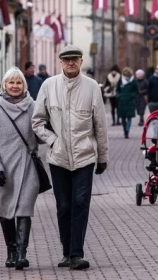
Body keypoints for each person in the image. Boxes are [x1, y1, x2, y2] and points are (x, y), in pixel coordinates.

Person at [32, 45, 109, 270]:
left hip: (85, 155)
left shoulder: (92, 87)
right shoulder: (49, 85)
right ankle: (66, 252)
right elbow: (37, 121)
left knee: (80, 202)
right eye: (66, 60)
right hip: (58, 157)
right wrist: (52, 140)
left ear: (81, 61)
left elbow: (100, 124)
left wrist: (102, 156)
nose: (70, 63)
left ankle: (77, 253)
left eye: (74, 59)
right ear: (60, 63)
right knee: (64, 205)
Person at [0, 67, 41, 270]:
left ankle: (21, 254)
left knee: (24, 209)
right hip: (3, 170)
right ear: (4, 85)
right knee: (6, 210)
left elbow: (42, 133)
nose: (15, 86)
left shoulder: (34, 106)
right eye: (11, 82)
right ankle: (11, 250)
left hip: (27, 167)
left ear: (23, 85)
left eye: (18, 82)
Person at [117, 67, 139, 138]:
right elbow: (117, 90)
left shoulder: (133, 81)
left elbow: (136, 90)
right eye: (124, 74)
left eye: (127, 74)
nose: (126, 75)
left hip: (130, 101)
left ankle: (127, 130)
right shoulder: (120, 80)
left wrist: (132, 95)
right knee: (123, 117)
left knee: (129, 117)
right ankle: (125, 131)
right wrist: (119, 96)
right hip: (122, 101)